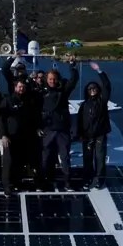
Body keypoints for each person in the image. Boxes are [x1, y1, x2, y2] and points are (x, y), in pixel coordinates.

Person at [38, 55, 79, 191]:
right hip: (48, 130)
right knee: (45, 158)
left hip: (62, 131)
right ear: (46, 79)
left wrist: (72, 66)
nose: (52, 81)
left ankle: (67, 183)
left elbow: (73, 81)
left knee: (65, 158)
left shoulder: (63, 92)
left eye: (54, 79)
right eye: (50, 79)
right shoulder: (41, 93)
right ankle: (45, 181)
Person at [0, 78, 38, 195]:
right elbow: (1, 119)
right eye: (20, 87)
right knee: (8, 161)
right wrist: (3, 135)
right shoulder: (8, 100)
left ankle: (16, 182)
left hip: (23, 136)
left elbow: (32, 117)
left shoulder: (27, 101)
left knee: (19, 161)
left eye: (23, 87)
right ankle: (7, 185)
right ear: (15, 87)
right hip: (10, 136)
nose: (22, 89)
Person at [77, 62, 112, 189]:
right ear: (87, 91)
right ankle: (87, 179)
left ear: (98, 90)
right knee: (87, 159)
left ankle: (99, 180)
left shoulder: (102, 102)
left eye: (95, 89)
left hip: (99, 135)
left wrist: (99, 71)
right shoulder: (84, 105)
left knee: (100, 158)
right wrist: (80, 134)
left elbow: (107, 86)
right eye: (90, 89)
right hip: (87, 136)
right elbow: (79, 121)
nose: (92, 90)